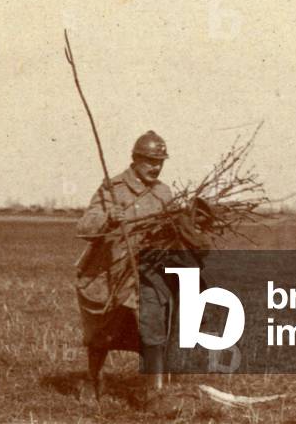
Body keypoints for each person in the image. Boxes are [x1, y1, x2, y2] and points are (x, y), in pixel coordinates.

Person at [75, 130, 178, 408]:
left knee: (153, 329)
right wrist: (108, 219)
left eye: (160, 162)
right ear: (135, 159)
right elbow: (85, 226)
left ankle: (155, 393)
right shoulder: (113, 188)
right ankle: (93, 380)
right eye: (150, 161)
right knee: (101, 335)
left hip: (147, 275)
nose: (156, 167)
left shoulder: (164, 193)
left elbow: (172, 233)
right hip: (109, 274)